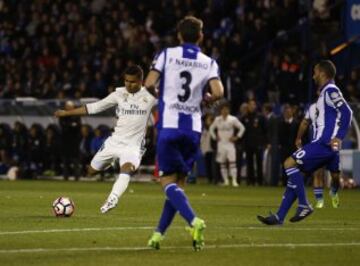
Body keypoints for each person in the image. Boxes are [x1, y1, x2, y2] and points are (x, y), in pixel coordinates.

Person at [144, 16, 224, 251]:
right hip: (193, 130)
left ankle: (194, 220)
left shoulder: (167, 55)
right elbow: (218, 91)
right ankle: (158, 235)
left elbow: (148, 83)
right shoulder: (209, 62)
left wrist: (161, 95)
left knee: (166, 180)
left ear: (179, 36)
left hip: (169, 125)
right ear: (201, 36)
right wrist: (207, 99)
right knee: (178, 184)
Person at [257, 60, 352, 225]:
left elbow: (347, 111)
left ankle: (304, 204)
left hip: (323, 144)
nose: (313, 75)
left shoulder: (331, 90)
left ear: (322, 73)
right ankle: (279, 216)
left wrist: (339, 136)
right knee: (296, 176)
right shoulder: (323, 95)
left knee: (289, 164)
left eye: (315, 72)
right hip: (326, 146)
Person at [54, 65, 157, 213]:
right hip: (114, 142)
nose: (128, 84)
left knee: (127, 168)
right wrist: (66, 113)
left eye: (133, 82)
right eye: (126, 81)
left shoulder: (150, 96)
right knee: (91, 171)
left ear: (141, 81)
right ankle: (111, 162)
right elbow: (94, 107)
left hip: (133, 146)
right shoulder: (119, 94)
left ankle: (112, 199)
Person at [295, 102, 341, 209]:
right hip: (317, 144)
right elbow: (305, 122)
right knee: (318, 173)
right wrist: (298, 138)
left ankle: (333, 192)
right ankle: (319, 201)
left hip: (333, 145)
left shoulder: (337, 108)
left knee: (335, 176)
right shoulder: (313, 107)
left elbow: (342, 124)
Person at [209, 103, 245, 187]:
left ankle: (234, 181)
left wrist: (237, 137)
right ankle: (225, 181)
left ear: (229, 110)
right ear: (221, 110)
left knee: (232, 163)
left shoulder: (233, 119)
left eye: (226, 109)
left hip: (230, 144)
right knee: (222, 163)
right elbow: (211, 128)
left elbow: (242, 128)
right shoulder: (217, 119)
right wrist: (215, 137)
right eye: (223, 109)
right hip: (221, 144)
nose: (225, 111)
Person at [241, 99, 267, 185]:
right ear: (247, 106)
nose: (252, 106)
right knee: (249, 163)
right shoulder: (244, 118)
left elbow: (265, 131)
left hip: (258, 143)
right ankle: (250, 181)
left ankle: (260, 181)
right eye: (250, 105)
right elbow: (243, 132)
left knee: (259, 163)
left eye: (253, 105)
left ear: (255, 106)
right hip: (248, 143)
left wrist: (264, 142)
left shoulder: (260, 117)